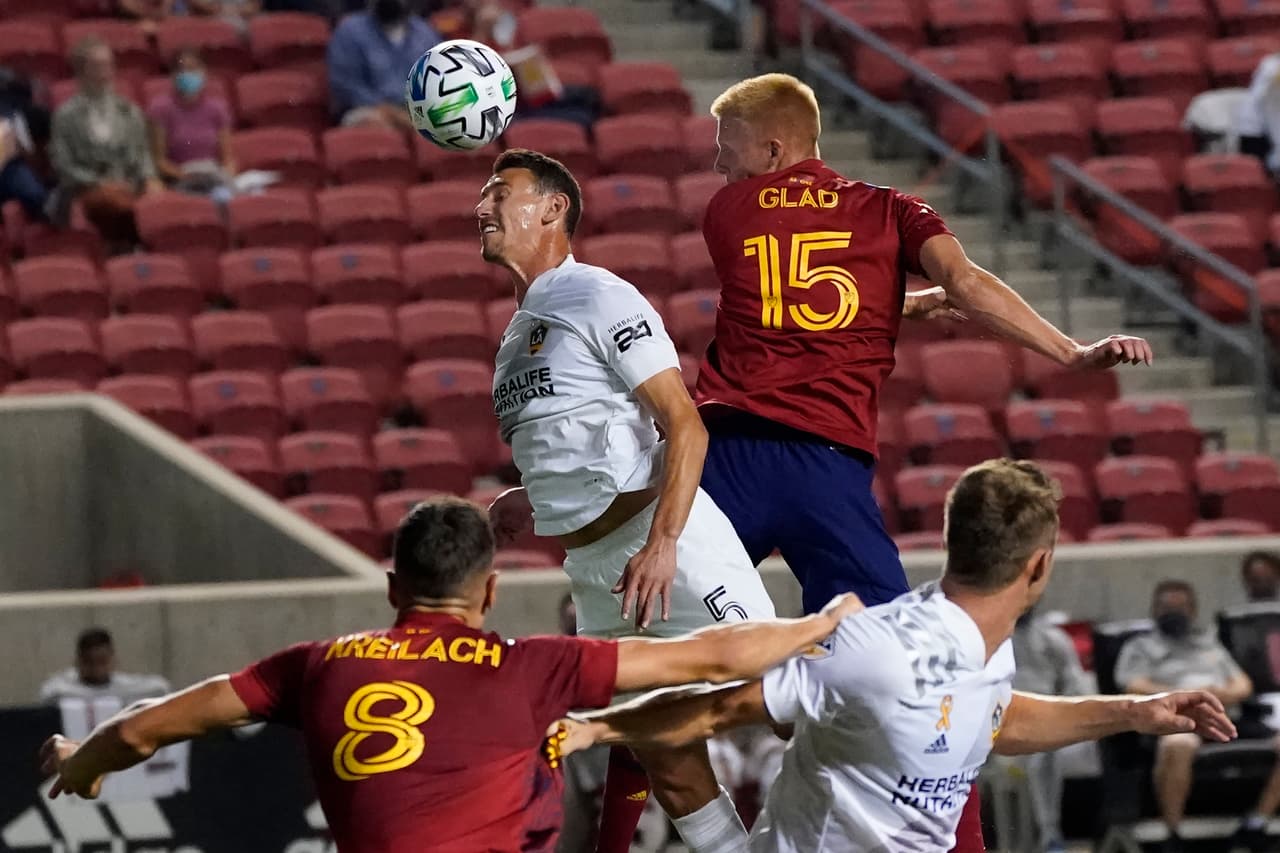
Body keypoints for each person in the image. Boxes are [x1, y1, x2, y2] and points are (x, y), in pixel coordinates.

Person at [676, 71, 1154, 852]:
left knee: (649, 659)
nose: (719, 170)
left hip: (726, 464)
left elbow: (794, 300)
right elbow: (966, 284)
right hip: (828, 472)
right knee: (933, 671)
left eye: (728, 152)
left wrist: (898, 306)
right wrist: (1069, 350)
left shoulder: (727, 212)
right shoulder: (892, 209)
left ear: (772, 146)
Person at [39, 497, 862, 853]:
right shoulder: (533, 666)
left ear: (393, 589)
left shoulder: (315, 665)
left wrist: (84, 760)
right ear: (492, 589)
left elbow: (148, 723)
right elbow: (708, 655)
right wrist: (812, 625)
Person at [545, 459, 1238, 852]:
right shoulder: (873, 648)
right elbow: (718, 708)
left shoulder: (984, 652)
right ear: (1040, 566)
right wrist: (600, 729)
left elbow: (997, 718)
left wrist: (1135, 709)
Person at [479, 147, 777, 853]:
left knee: (782, 697)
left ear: (553, 208)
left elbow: (685, 424)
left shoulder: (598, 294)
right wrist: (534, 497)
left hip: (665, 545)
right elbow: (590, 435)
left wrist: (665, 543)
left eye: (501, 192)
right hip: (595, 574)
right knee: (665, 753)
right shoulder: (519, 332)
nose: (481, 207)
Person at [1116, 579, 1280, 853]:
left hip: (1224, 715)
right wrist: (1183, 694)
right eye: (1167, 606)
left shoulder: (1209, 644)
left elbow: (1243, 684)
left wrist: (1216, 694)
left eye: (1180, 607)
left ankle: (1257, 823)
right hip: (1178, 719)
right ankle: (1173, 835)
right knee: (1177, 745)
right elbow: (1132, 685)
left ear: (1193, 610)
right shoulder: (1140, 647)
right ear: (1154, 609)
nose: (1173, 612)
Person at [991, 610, 1090, 853]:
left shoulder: (1052, 638)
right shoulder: (984, 636)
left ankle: (1050, 835)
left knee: (1045, 751)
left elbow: (1077, 687)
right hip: (996, 728)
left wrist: (1057, 717)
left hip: (1046, 724)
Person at [50, 38, 162, 246]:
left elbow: (143, 154)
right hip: (88, 188)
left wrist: (149, 179)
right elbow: (63, 166)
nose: (106, 73)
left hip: (128, 185)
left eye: (109, 65)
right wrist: (100, 183)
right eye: (98, 66)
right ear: (81, 72)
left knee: (165, 204)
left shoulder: (128, 111)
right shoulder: (65, 116)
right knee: (117, 203)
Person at [327, 0, 441, 128]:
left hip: (417, 111)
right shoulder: (350, 30)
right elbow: (347, 87)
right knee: (374, 124)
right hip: (368, 110)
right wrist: (393, 113)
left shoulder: (425, 33)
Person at [146, 49, 236, 200]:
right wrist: (185, 175)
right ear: (173, 75)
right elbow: (159, 161)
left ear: (204, 73)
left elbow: (228, 158)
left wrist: (225, 175)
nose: (188, 74)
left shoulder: (218, 109)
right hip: (180, 179)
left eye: (193, 69)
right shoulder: (159, 109)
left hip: (213, 176)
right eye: (182, 69)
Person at [39, 628, 171, 705]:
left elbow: (160, 687)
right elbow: (48, 695)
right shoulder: (59, 690)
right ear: (77, 661)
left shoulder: (126, 686)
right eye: (89, 662)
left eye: (102, 661)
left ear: (113, 659)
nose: (97, 669)